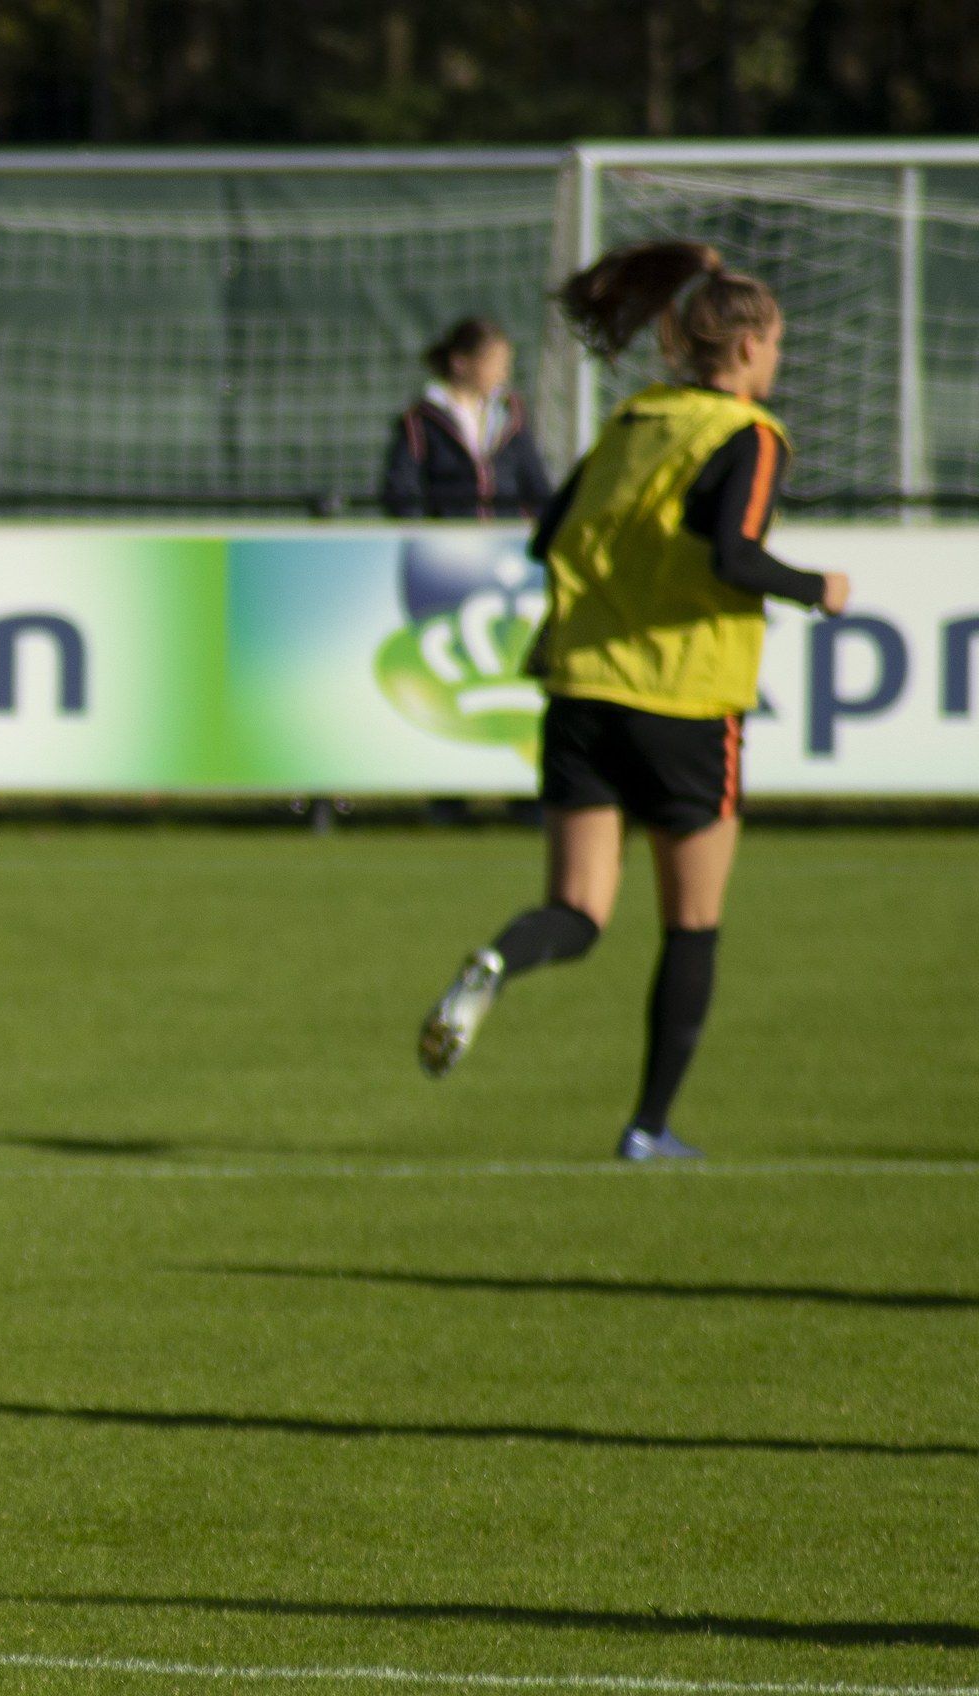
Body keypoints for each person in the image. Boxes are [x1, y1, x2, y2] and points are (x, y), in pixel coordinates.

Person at [416, 244, 849, 1159]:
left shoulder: (634, 419)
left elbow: (546, 535)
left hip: (581, 694)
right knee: (692, 924)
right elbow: (734, 556)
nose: (778, 360)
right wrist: (819, 588)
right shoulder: (751, 436)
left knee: (576, 913)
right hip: (684, 701)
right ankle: (648, 1128)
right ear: (745, 348)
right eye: (775, 343)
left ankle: (496, 959)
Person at [379, 315, 551, 517]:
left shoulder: (511, 415)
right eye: (493, 363)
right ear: (460, 363)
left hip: (504, 533)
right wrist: (424, 529)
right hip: (449, 535)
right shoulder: (420, 421)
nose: (502, 374)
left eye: (505, 364)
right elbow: (402, 488)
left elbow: (535, 484)